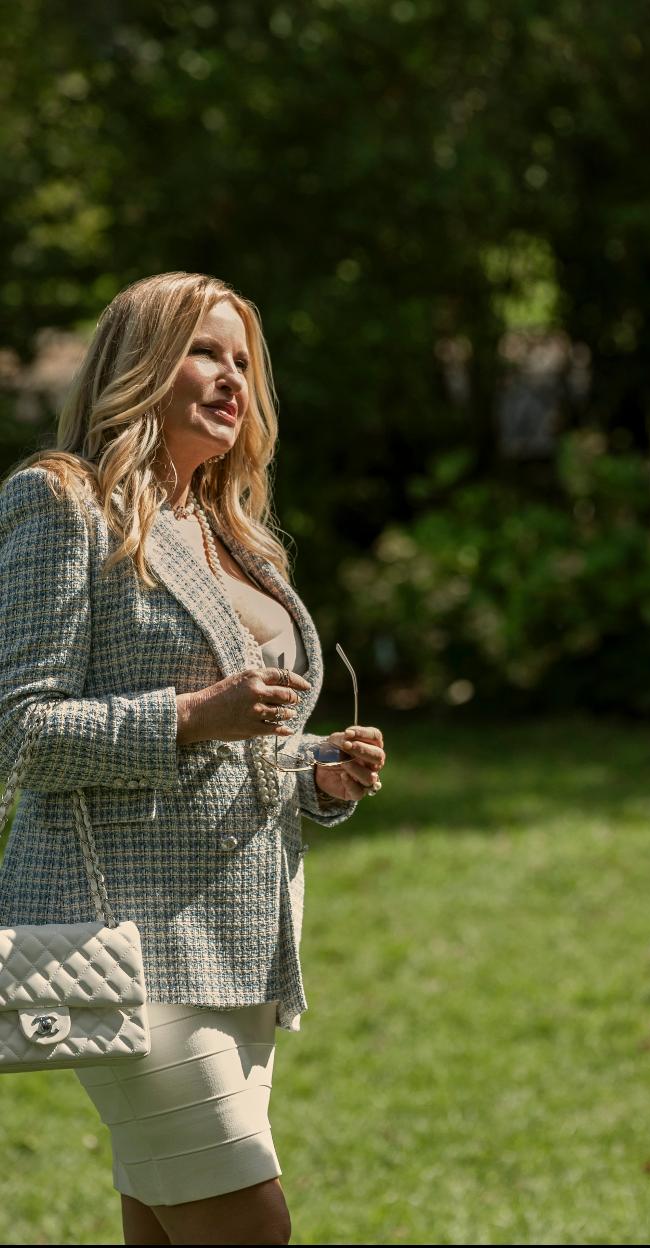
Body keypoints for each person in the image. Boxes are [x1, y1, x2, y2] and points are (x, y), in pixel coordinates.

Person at [0, 272, 388, 1246]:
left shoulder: (238, 534)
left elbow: (247, 740)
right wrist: (188, 716)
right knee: (251, 1228)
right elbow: (20, 729)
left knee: (167, 1229)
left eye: (244, 363)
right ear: (137, 365)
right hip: (121, 944)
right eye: (205, 352)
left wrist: (319, 770)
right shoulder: (62, 503)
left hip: (244, 944)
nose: (232, 381)